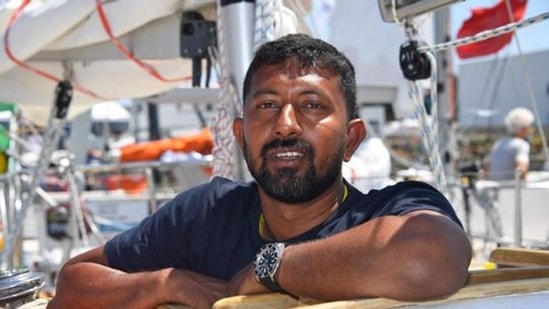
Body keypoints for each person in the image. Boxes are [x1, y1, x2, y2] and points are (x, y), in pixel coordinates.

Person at [48, 34, 471, 309]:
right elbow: (71, 286)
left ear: (352, 139)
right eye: (266, 106)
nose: (285, 125)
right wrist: (162, 283)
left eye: (312, 105)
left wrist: (273, 266)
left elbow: (428, 260)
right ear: (241, 134)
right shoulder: (206, 213)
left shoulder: (394, 209)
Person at [476, 107, 535, 242]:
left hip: (496, 196)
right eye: (529, 126)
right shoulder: (521, 145)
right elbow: (521, 170)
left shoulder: (499, 143)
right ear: (523, 128)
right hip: (512, 196)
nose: (531, 129)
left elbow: (486, 168)